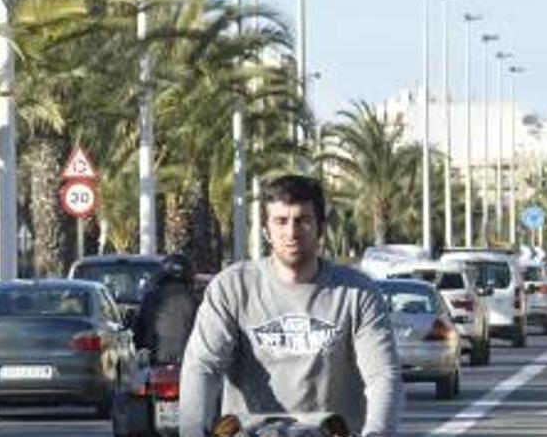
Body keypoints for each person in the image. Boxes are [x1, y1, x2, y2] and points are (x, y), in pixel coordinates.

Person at [180, 175, 402, 437]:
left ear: (320, 227)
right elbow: (203, 366)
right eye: (281, 221)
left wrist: (376, 431)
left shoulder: (358, 294)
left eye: (303, 220)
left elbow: (382, 375)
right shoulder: (231, 288)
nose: (292, 232)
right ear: (266, 230)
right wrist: (193, 431)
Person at [133, 253, 199, 365]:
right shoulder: (197, 299)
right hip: (189, 363)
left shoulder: (150, 297)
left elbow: (139, 332)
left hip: (157, 361)